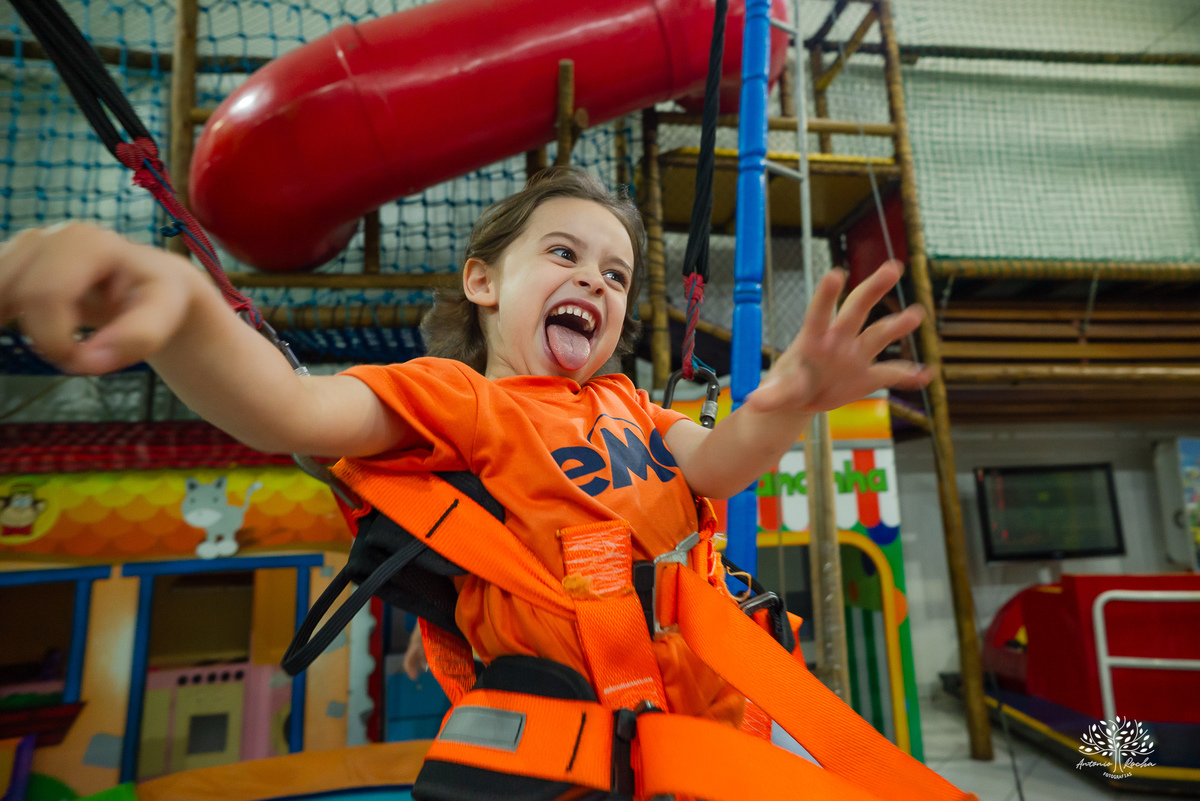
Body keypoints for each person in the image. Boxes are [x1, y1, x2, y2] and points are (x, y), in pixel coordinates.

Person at [0, 167, 931, 728]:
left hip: (717, 731)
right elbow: (287, 406)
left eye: (615, 275)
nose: (595, 285)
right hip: (581, 751)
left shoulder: (633, 407)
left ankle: (1097, 742)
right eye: (564, 257)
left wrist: (787, 401)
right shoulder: (457, 399)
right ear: (483, 280)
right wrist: (182, 305)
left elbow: (719, 461)